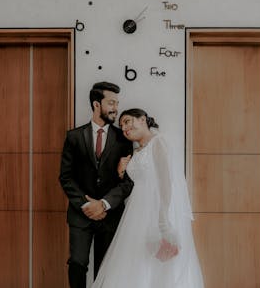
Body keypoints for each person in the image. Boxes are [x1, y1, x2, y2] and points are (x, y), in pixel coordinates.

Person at [92, 108, 204, 288]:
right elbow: (136, 182)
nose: (125, 128)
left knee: (157, 265)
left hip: (155, 210)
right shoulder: (135, 152)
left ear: (143, 119)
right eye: (122, 126)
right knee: (135, 260)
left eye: (128, 121)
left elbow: (166, 182)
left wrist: (163, 218)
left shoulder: (159, 142)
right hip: (136, 212)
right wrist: (121, 173)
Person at [59, 82, 134, 288]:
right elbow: (65, 177)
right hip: (79, 213)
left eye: (117, 103)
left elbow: (128, 182)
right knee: (77, 263)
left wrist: (104, 204)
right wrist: (85, 204)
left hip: (110, 215)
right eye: (111, 102)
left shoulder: (124, 138)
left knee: (105, 268)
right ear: (96, 104)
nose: (115, 108)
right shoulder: (74, 136)